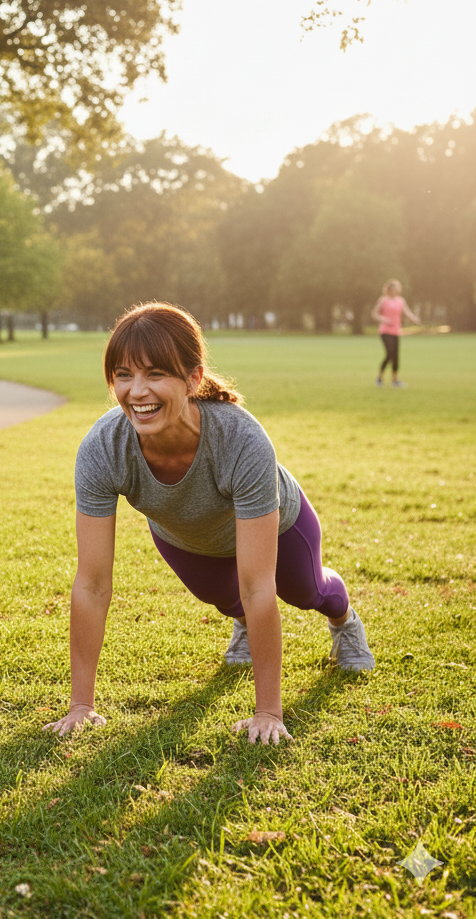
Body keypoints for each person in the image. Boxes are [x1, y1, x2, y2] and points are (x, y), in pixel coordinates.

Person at [44, 302, 375, 746]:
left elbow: (259, 585)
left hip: (279, 526)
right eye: (123, 375)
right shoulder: (103, 448)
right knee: (228, 597)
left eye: (155, 374)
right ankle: (243, 624)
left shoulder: (241, 439)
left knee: (302, 591)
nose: (137, 392)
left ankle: (344, 621)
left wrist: (268, 714)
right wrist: (81, 706)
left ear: (193, 379)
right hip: (187, 536)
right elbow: (92, 583)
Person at [372, 279, 419, 387]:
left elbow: (407, 312)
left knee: (396, 356)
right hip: (385, 331)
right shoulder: (383, 300)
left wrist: (414, 319)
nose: (393, 290)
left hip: (396, 331)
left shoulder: (400, 300)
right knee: (389, 354)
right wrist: (384, 319)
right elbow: (374, 313)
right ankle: (379, 378)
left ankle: (395, 380)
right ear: (388, 289)